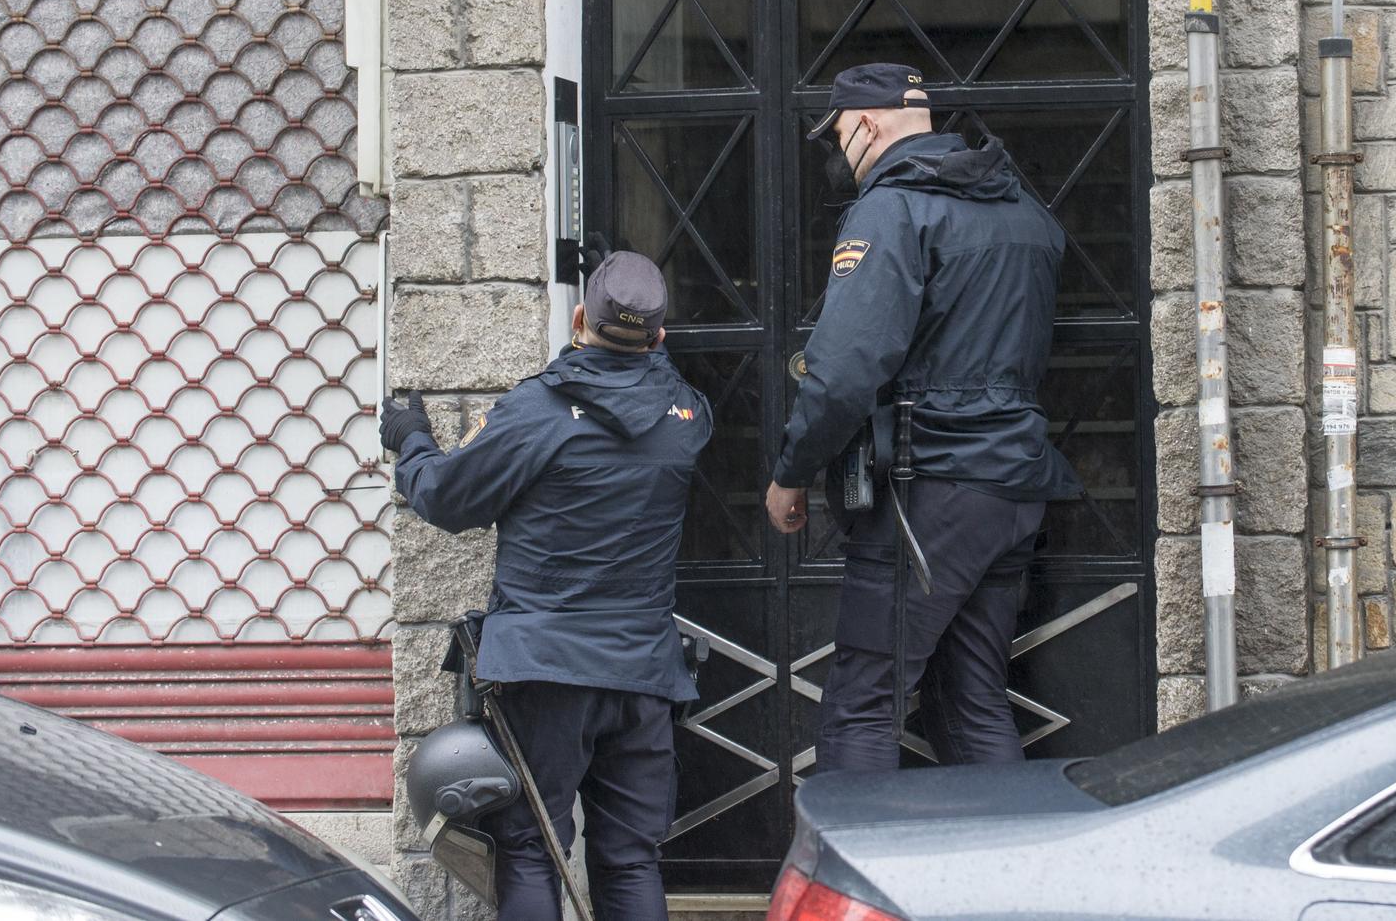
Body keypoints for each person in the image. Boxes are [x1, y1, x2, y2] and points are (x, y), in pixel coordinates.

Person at [763, 63, 1081, 774]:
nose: (839, 153)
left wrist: (792, 471)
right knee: (969, 698)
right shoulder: (1024, 212)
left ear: (869, 125)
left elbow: (843, 369)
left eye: (839, 134)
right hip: (1012, 486)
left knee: (863, 703)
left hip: (927, 492)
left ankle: (849, 886)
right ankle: (1008, 882)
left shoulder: (891, 210)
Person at [380, 251, 710, 921]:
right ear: (660, 335)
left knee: (530, 850)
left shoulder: (537, 411)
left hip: (544, 675)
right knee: (630, 857)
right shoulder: (689, 419)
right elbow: (657, 392)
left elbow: (445, 498)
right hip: (643, 675)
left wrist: (412, 440)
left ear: (580, 318)